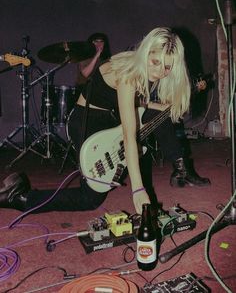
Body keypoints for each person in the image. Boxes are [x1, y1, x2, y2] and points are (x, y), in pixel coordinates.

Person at [0, 27, 210, 215]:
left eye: (167, 68)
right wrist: (138, 189)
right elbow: (129, 135)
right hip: (86, 121)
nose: (159, 72)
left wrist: (160, 107)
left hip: (110, 115)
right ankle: (20, 198)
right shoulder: (127, 73)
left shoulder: (139, 65)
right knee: (90, 198)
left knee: (160, 115)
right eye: (155, 62)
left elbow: (131, 102)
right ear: (146, 52)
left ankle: (181, 170)